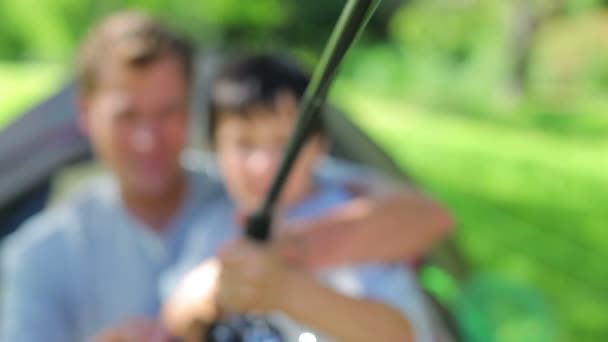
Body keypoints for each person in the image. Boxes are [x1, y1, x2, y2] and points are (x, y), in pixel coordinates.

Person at [0, 10, 452, 342]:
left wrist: (285, 256)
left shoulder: (249, 188)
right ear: (85, 113)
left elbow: (426, 217)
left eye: (168, 112)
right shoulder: (38, 255)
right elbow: (184, 313)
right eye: (127, 116)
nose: (148, 138)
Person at [162, 54, 435, 342]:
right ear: (214, 147)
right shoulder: (211, 227)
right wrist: (204, 294)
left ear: (319, 146)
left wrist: (286, 291)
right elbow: (176, 317)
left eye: (283, 143)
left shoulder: (352, 217)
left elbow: (405, 334)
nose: (262, 164)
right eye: (244, 143)